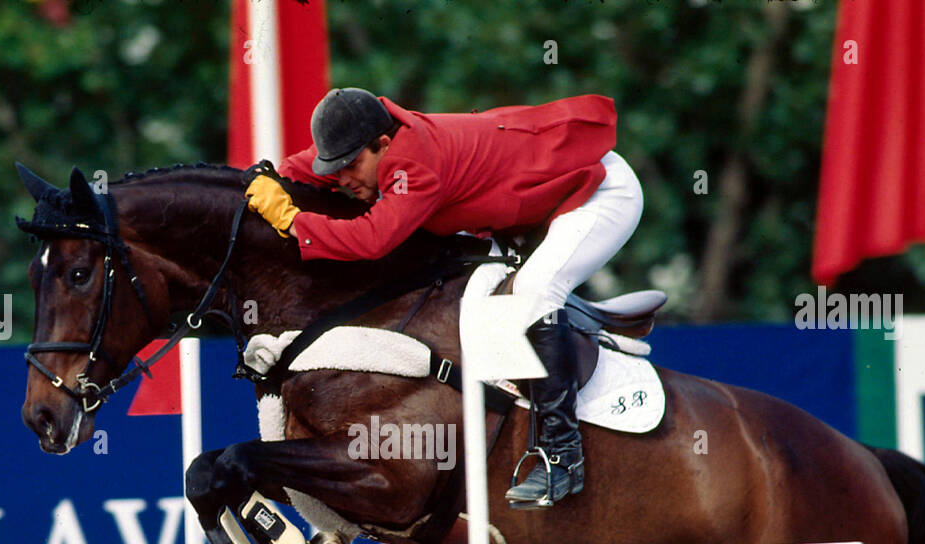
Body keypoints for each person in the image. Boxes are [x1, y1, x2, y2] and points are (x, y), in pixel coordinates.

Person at [244, 87, 643, 508]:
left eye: (350, 166)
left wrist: (290, 220)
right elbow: (300, 168)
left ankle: (562, 456)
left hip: (600, 193)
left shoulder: (415, 163)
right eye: (335, 167)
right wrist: (266, 177)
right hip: (544, 199)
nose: (342, 179)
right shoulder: (376, 145)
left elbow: (371, 240)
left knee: (536, 289)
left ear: (383, 144)